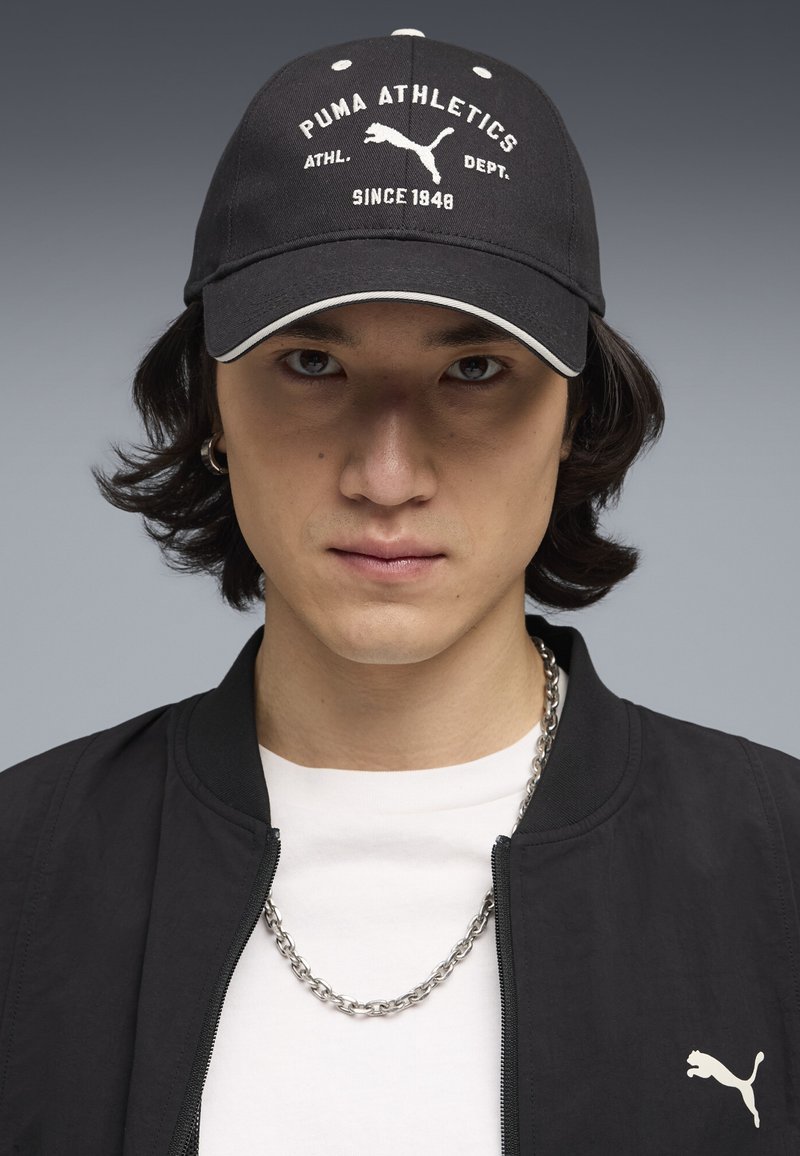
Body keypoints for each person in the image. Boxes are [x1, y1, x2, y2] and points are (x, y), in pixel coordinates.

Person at [1, 27, 798, 1156]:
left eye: (473, 370)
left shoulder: (777, 866)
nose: (385, 477)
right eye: (310, 364)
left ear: (574, 415)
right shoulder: (23, 869)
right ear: (211, 404)